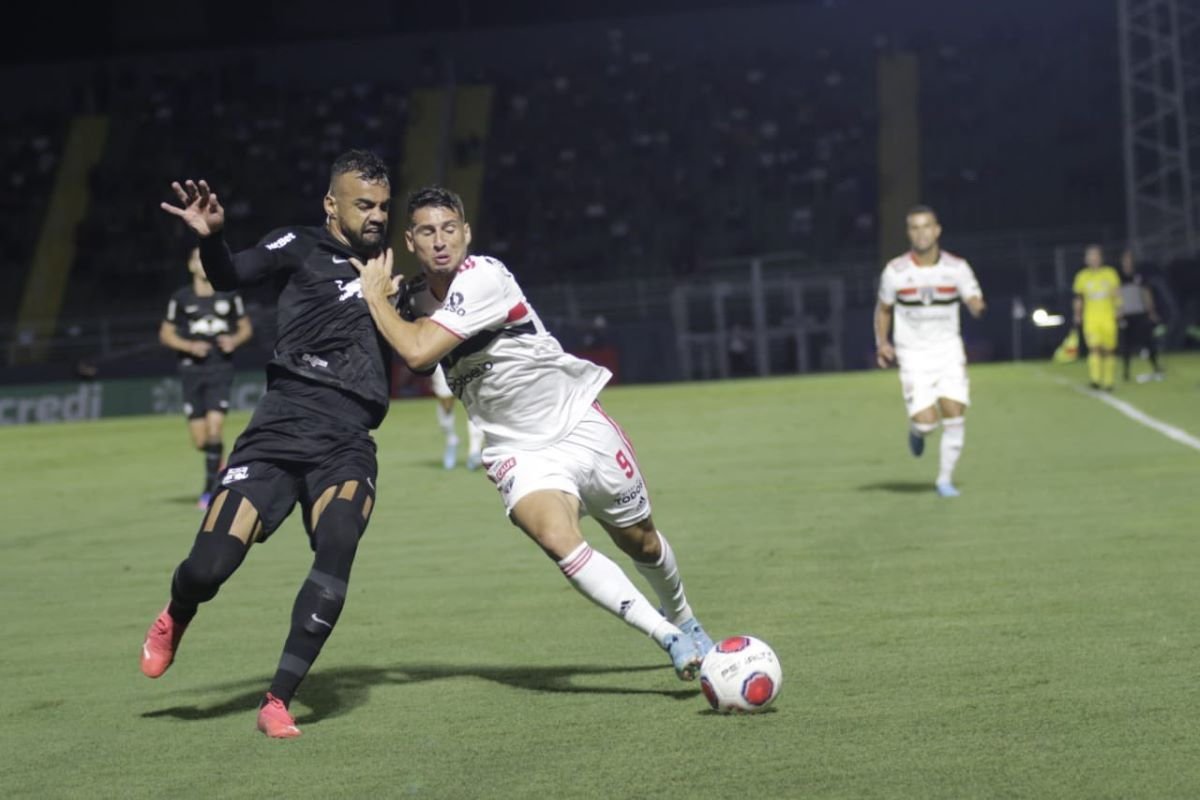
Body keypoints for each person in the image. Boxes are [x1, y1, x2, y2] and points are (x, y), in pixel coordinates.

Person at [354, 186, 714, 681]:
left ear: (467, 233)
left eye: (450, 229)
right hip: (515, 450)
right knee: (556, 537)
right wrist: (387, 304)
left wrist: (375, 299)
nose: (441, 241)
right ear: (411, 242)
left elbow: (417, 354)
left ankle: (685, 618)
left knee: (642, 543)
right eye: (427, 232)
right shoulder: (413, 298)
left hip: (578, 422)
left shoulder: (486, 277)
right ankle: (668, 637)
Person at [141, 150, 396, 738]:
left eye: (383, 206)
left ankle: (278, 699)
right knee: (208, 569)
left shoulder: (384, 269)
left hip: (347, 440)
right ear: (332, 204)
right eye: (364, 204)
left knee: (337, 542)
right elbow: (231, 274)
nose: (376, 215)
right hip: (278, 433)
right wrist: (213, 240)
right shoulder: (300, 244)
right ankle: (177, 614)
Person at [875, 205, 985, 498]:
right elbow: (884, 309)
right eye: (915, 227)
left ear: (937, 230)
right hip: (913, 355)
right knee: (927, 423)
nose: (921, 232)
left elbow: (973, 295)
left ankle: (944, 480)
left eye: (927, 226)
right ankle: (916, 431)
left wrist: (976, 305)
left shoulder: (956, 268)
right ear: (909, 232)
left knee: (954, 412)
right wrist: (882, 342)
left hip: (948, 351)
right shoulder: (896, 271)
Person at [159, 246, 253, 509]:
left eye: (205, 259)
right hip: (191, 371)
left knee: (215, 429)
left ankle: (210, 491)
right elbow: (166, 334)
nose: (202, 264)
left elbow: (245, 328)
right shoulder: (181, 298)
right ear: (190, 266)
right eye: (196, 260)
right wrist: (189, 347)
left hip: (219, 369)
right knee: (201, 440)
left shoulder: (229, 294)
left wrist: (233, 340)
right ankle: (217, 462)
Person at [1072, 244, 1122, 391]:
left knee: (1109, 350)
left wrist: (1119, 308)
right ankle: (1095, 380)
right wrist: (1077, 315)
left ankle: (1108, 382)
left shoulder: (1110, 273)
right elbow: (1079, 298)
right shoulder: (1082, 276)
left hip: (1108, 318)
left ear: (1101, 258)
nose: (1093, 259)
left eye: (1096, 256)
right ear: (1086, 259)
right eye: (1090, 256)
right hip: (1091, 319)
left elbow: (1116, 293)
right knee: (1094, 349)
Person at [1118, 249, 1164, 382]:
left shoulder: (1139, 275)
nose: (1128, 262)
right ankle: (1126, 373)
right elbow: (1115, 294)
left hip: (1140, 313)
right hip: (1126, 315)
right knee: (1126, 345)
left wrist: (1151, 311)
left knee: (1148, 342)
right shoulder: (1118, 276)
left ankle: (1156, 367)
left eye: (1130, 259)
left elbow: (1146, 293)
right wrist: (1118, 311)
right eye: (1125, 259)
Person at [431, 364, 483, 470]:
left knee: (474, 400)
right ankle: (451, 439)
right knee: (446, 403)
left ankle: (475, 450)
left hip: (470, 355)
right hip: (441, 356)